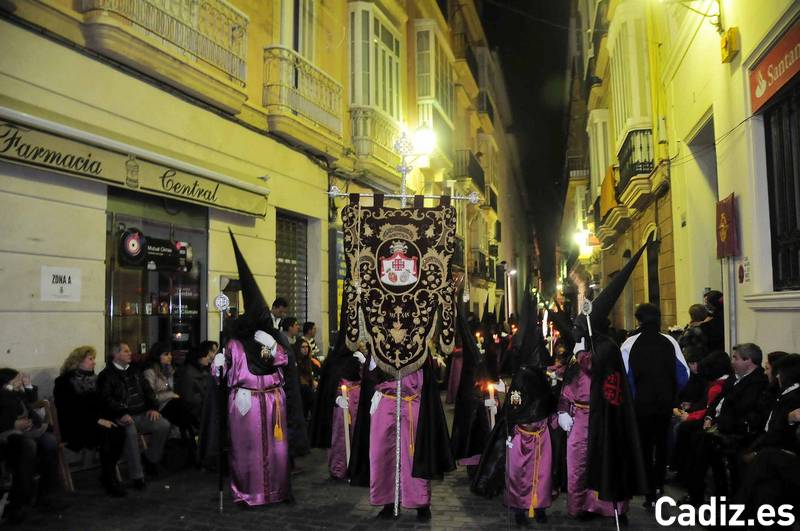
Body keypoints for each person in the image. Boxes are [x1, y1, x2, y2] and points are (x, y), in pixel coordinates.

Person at [558, 238, 651, 522]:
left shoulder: (606, 347)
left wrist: (583, 355)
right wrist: (563, 408)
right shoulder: (584, 347)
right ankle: (581, 506)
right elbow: (570, 381)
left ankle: (609, 508)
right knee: (578, 466)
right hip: (579, 419)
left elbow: (598, 368)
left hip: (604, 419)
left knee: (608, 462)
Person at [213, 231, 294, 505]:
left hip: (273, 400)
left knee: (277, 450)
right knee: (247, 449)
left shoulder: (271, 338)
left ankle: (278, 491)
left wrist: (273, 347)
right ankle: (248, 493)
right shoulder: (235, 344)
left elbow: (284, 362)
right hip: (246, 401)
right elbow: (222, 377)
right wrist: (217, 365)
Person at [471, 293, 554, 527]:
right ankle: (520, 506)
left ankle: (538, 506)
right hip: (522, 434)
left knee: (541, 473)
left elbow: (547, 404)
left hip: (540, 434)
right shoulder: (524, 377)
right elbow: (515, 408)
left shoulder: (537, 377)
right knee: (520, 473)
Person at [620, 302, 689, 509]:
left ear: (638, 320)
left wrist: (632, 399)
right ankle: (658, 484)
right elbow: (683, 373)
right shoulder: (670, 341)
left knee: (643, 445)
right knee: (661, 444)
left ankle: (645, 488)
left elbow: (624, 377)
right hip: (664, 404)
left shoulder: (629, 344)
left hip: (640, 405)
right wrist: (670, 393)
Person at [685, 343, 768, 505]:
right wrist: (709, 417)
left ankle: (707, 497)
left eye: (735, 358)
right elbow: (717, 401)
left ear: (748, 360)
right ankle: (698, 494)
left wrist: (717, 422)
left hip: (737, 431)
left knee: (702, 442)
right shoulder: (734, 378)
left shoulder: (757, 382)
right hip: (720, 424)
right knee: (693, 436)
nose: (732, 362)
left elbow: (741, 410)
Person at [54, 346, 126, 497]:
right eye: (90, 359)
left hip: (95, 422)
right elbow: (71, 410)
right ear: (78, 361)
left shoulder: (94, 379)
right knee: (108, 433)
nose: (94, 362)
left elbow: (101, 404)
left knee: (119, 430)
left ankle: (109, 472)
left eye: (94, 359)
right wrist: (98, 420)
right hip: (75, 425)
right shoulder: (64, 382)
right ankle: (109, 479)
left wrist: (110, 417)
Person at [98, 342, 171, 490]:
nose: (130, 353)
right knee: (130, 434)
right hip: (123, 416)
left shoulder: (135, 371)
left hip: (142, 412)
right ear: (116, 354)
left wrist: (153, 407)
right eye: (125, 351)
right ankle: (137, 476)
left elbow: (148, 390)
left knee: (163, 425)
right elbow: (106, 399)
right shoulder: (106, 375)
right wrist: (122, 413)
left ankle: (150, 458)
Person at [0, 368, 61, 522]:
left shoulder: (15, 393)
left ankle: (45, 495)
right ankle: (19, 502)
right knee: (28, 446)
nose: (20, 381)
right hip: (6, 435)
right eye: (17, 379)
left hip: (26, 431)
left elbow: (31, 401)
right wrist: (14, 423)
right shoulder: (5, 394)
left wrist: (26, 386)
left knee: (50, 442)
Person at [143, 342, 197, 463]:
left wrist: (172, 394)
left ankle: (191, 449)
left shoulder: (168, 370)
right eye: (166, 354)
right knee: (182, 410)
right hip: (158, 406)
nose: (170, 357)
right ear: (158, 356)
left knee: (183, 411)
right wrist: (170, 395)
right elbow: (151, 396)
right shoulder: (150, 372)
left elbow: (171, 390)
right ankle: (192, 449)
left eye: (170, 354)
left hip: (170, 405)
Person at [175, 340, 217, 428]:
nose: (210, 358)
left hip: (200, 409)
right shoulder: (189, 373)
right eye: (206, 356)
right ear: (198, 357)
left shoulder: (202, 370)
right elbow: (189, 399)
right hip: (194, 414)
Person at [295, 338, 316, 421]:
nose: (305, 349)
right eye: (303, 347)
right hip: (300, 391)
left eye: (307, 347)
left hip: (308, 390)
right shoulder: (296, 361)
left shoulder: (308, 361)